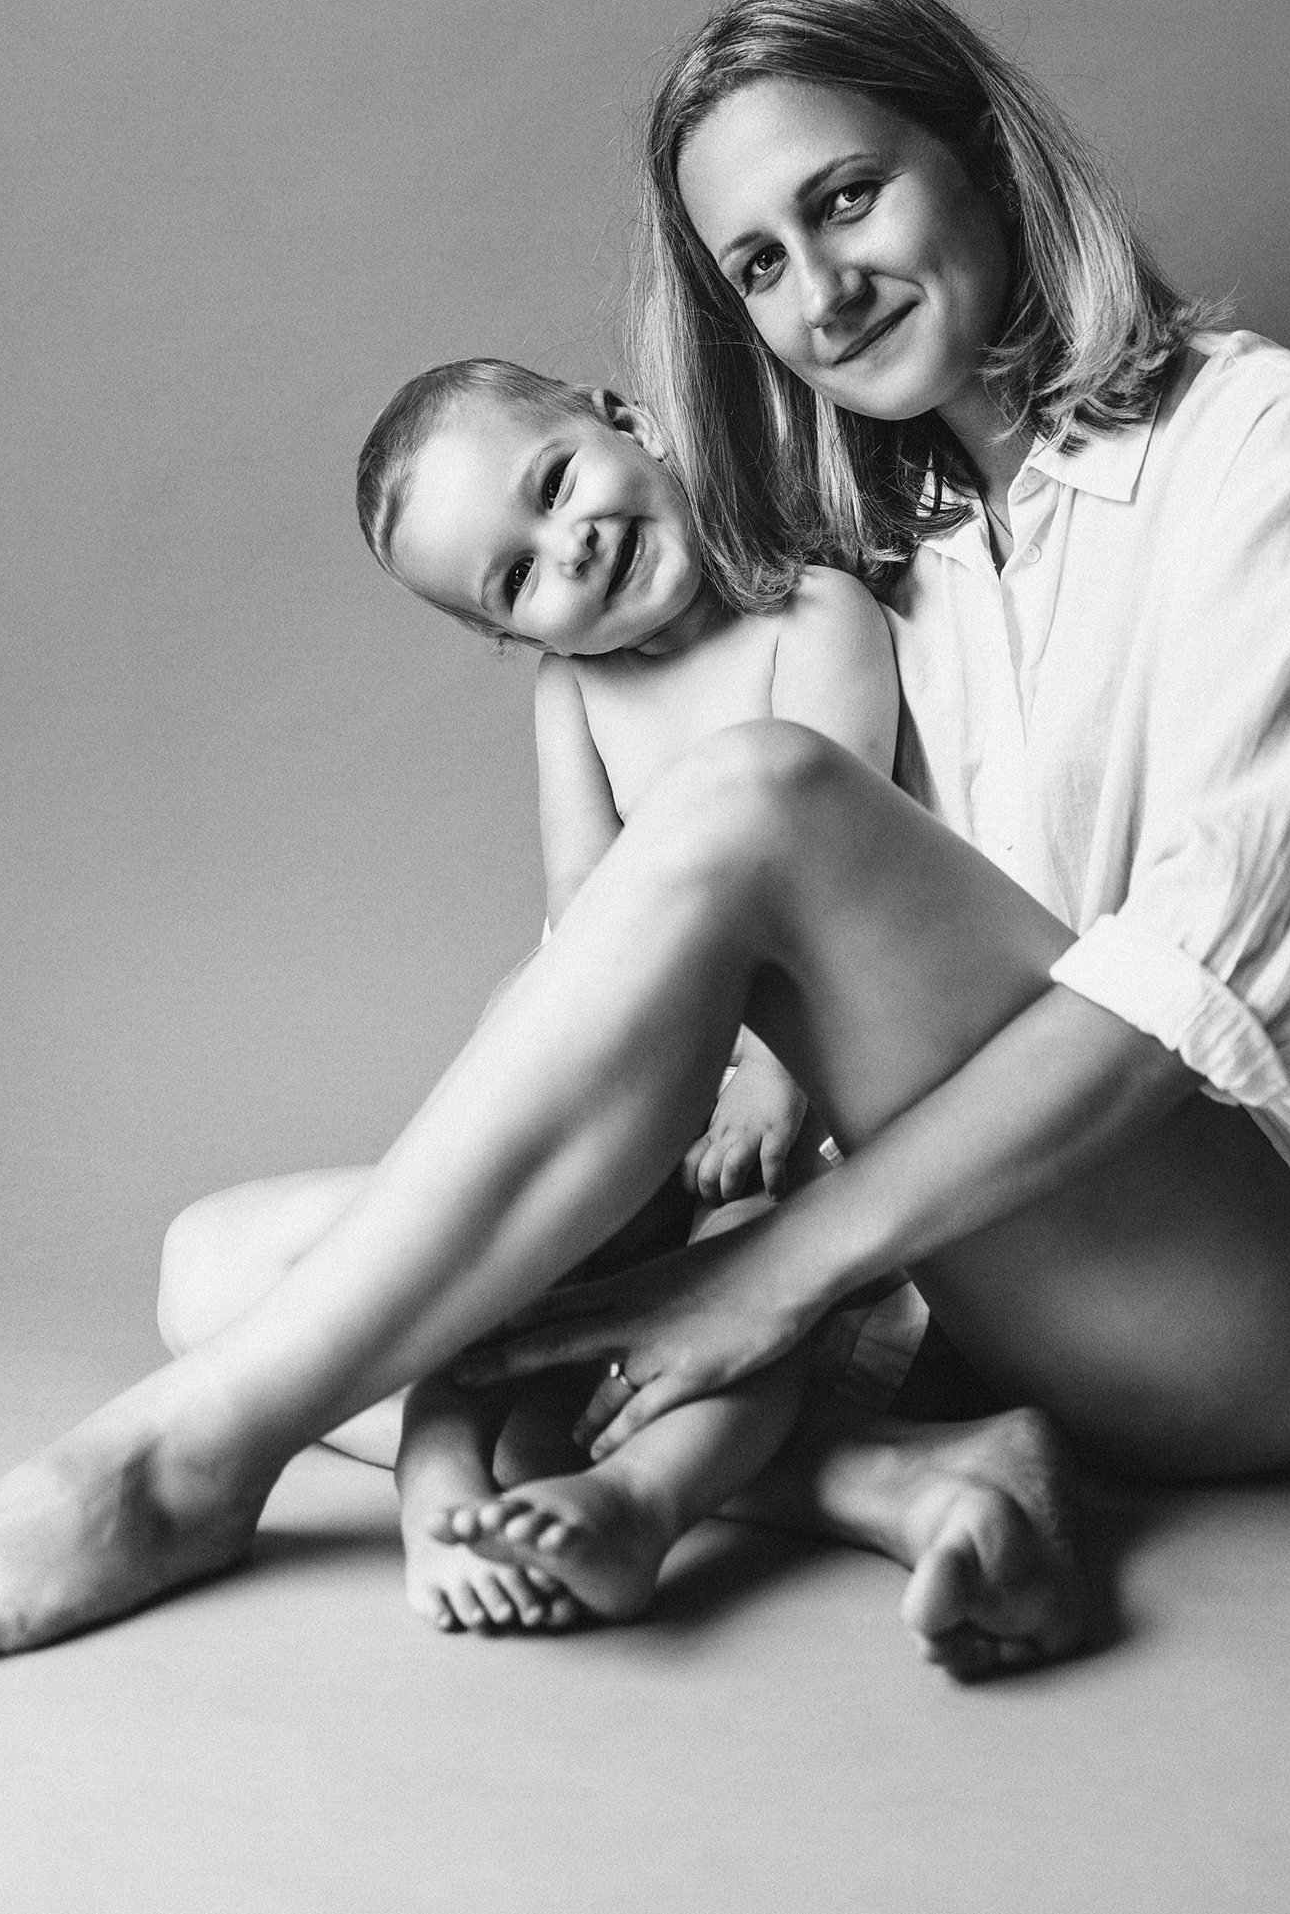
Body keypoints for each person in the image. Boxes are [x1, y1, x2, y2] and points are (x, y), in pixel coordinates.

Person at [0, 0, 1290, 1678]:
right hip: (954, 1271)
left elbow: (1178, 998)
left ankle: (175, 1463)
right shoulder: (881, 530)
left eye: (848, 197)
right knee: (223, 1270)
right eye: (759, 263)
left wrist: (770, 1273)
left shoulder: (1264, 438)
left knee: (754, 798)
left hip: (1245, 1297)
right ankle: (904, 1477)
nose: (821, 292)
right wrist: (726, 1242)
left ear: (984, 153)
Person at [237, 351, 936, 1636]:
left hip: (809, 1072)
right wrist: (565, 1106)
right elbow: (582, 900)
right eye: (517, 577)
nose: (571, 548)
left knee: (745, 1279)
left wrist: (771, 1082)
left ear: (627, 419)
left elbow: (828, 875)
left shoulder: (811, 615)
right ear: (515, 636)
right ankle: (440, 1488)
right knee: (504, 1263)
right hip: (650, 1064)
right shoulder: (575, 690)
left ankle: (641, 1503)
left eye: (556, 483)